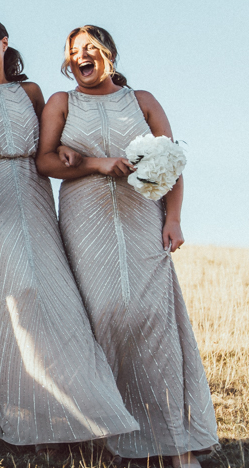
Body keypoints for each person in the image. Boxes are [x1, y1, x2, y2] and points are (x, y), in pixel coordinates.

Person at [0, 17, 137, 452]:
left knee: (55, 290)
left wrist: (69, 149)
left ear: (3, 43)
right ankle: (11, 400)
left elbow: (54, 141)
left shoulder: (29, 92)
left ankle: (66, 407)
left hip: (34, 189)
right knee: (22, 287)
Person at [36, 25, 218, 467]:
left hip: (143, 218)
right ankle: (118, 434)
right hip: (86, 218)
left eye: (90, 49)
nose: (82, 56)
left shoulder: (143, 102)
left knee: (155, 318)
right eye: (74, 51)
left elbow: (171, 162)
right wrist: (96, 164)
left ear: (109, 55)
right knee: (107, 316)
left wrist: (173, 219)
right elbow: (43, 160)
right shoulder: (62, 103)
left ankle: (177, 443)